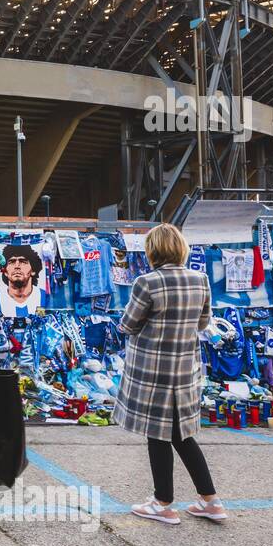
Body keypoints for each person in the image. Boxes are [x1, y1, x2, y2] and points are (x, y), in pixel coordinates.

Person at [114, 223, 229, 524]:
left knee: (158, 434)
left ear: (152, 250)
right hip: (184, 370)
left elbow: (128, 325)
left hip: (152, 372)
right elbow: (204, 323)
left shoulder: (147, 282)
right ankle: (210, 501)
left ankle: (163, 503)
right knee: (182, 435)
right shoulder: (200, 279)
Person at [0, 242, 48, 317]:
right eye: (12, 262)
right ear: (5, 271)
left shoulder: (43, 296)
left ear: (33, 270)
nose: (17, 266)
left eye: (23, 262)